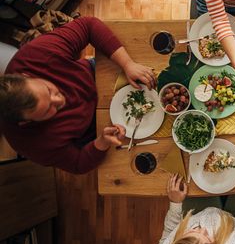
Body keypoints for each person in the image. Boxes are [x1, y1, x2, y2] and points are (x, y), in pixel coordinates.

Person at [0, 17, 155, 174]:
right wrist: (101, 143)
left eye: (48, 90)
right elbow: (78, 164)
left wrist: (127, 64)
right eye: (48, 110)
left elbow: (89, 26)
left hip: (96, 76)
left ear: (27, 76)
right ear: (26, 122)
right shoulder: (30, 144)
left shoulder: (34, 55)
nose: (60, 100)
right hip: (96, 127)